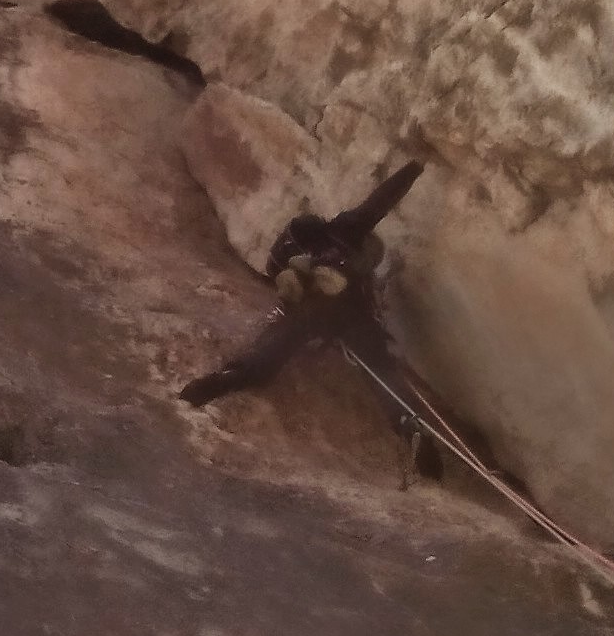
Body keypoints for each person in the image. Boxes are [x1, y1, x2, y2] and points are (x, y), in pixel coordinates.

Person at [179, 161, 435, 464]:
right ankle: (409, 424)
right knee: (379, 369)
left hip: (306, 311)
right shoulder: (350, 229)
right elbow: (380, 201)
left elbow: (379, 201)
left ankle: (229, 377)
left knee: (271, 351)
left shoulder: (325, 233)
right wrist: (414, 168)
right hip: (350, 313)